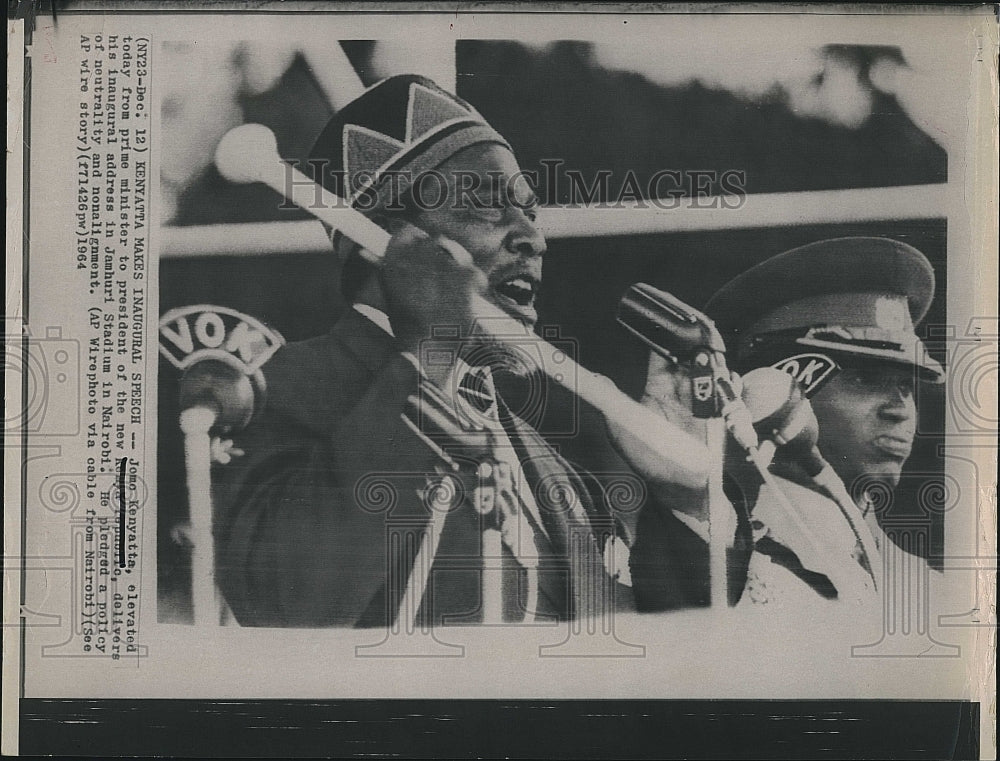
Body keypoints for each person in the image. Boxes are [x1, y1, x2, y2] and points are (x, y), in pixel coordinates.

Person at [212, 74, 710, 627]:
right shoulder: (267, 390)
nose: (532, 238)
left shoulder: (557, 471)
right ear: (385, 242)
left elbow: (667, 660)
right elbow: (284, 603)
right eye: (485, 206)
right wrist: (426, 356)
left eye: (529, 211)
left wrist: (685, 502)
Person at [700, 236, 944, 607]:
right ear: (774, 388)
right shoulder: (722, 568)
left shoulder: (928, 590)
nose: (901, 409)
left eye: (905, 387)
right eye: (865, 379)